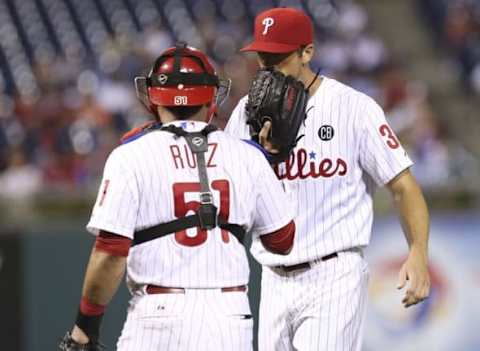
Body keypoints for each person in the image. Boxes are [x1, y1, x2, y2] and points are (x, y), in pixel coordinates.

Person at [60, 43, 296, 351]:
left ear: (153, 97)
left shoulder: (130, 155)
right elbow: (282, 241)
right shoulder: (248, 156)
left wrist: (85, 327)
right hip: (230, 314)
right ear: (212, 97)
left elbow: (110, 252)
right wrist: (272, 167)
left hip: (159, 312)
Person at [225, 7, 431, 351]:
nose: (269, 66)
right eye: (263, 56)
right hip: (272, 278)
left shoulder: (353, 107)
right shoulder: (246, 112)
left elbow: (403, 185)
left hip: (333, 274)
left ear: (307, 52)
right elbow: (231, 198)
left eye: (279, 56)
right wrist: (264, 159)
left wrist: (418, 254)